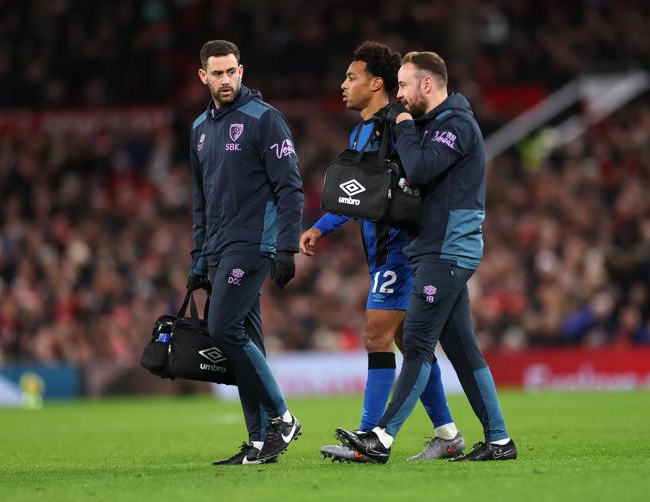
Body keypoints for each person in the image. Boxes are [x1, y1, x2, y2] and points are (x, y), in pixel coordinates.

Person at [336, 51, 517, 463]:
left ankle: (380, 437)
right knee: (462, 349)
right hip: (433, 250)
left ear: (428, 84)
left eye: (403, 85)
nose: (398, 95)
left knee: (416, 340)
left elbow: (418, 169)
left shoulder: (454, 125)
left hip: (447, 250)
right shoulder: (433, 125)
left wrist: (401, 125)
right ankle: (500, 440)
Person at [299, 42, 465, 462]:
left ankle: (368, 436)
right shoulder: (360, 132)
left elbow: (418, 181)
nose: (343, 86)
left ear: (377, 83)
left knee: (377, 334)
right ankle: (447, 433)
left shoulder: (399, 126)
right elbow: (359, 197)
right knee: (411, 344)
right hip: (381, 252)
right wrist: (321, 226)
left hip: (403, 251)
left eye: (351, 78)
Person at [187, 40, 303, 465]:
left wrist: (287, 246)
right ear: (203, 76)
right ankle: (257, 442)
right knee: (245, 337)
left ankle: (283, 419)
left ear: (242, 70)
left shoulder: (265, 119)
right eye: (217, 73)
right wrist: (198, 261)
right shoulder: (199, 128)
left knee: (223, 330)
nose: (225, 80)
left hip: (254, 243)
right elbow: (202, 199)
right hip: (218, 249)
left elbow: (289, 186)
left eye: (231, 71)